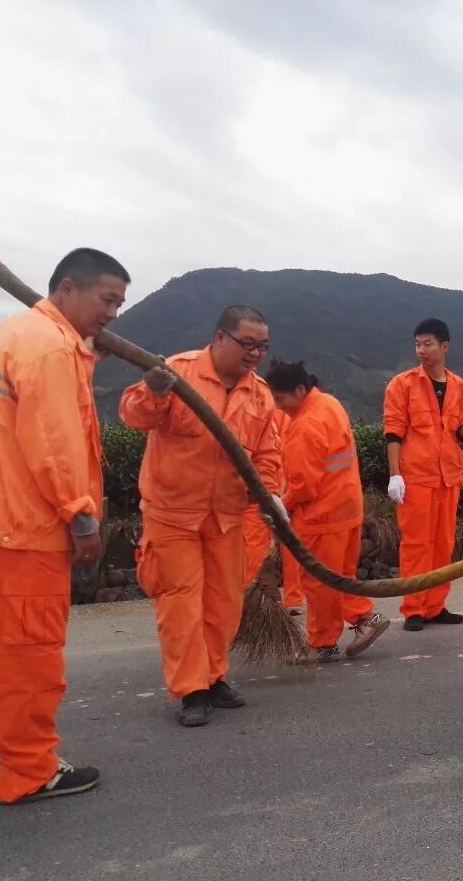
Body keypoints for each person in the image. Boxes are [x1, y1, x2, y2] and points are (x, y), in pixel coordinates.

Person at [0, 248, 129, 804]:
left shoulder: (24, 334)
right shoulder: (49, 349)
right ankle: (30, 769)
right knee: (26, 654)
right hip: (23, 529)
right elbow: (53, 444)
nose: (113, 313)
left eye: (119, 304)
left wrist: (85, 358)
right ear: (68, 288)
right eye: (107, 299)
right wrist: (81, 516)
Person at [120, 306, 282, 728]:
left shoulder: (260, 394)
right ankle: (191, 689)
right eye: (248, 344)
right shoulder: (176, 372)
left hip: (226, 516)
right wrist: (153, 391)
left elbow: (266, 452)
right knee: (181, 604)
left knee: (223, 604)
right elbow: (134, 416)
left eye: (262, 346)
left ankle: (213, 676)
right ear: (220, 338)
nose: (255, 354)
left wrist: (268, 495)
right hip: (172, 514)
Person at [264, 360, 389, 661]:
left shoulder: (304, 427)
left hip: (321, 517)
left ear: (299, 389)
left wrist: (280, 505)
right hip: (347, 508)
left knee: (318, 582)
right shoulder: (330, 404)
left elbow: (304, 486)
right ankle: (364, 619)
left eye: (281, 399)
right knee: (341, 575)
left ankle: (322, 642)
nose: (279, 407)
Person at [383, 319, 463, 631]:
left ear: (444, 346)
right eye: (417, 344)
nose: (421, 350)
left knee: (443, 543)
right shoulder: (402, 385)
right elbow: (393, 432)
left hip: (449, 477)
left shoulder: (461, 388)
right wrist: (395, 475)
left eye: (427, 344)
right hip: (416, 477)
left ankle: (435, 606)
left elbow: (460, 436)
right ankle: (413, 607)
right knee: (416, 544)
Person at [240, 406, 290, 590]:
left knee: (252, 549)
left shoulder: (264, 411)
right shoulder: (275, 412)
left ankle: (247, 594)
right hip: (252, 492)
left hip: (253, 494)